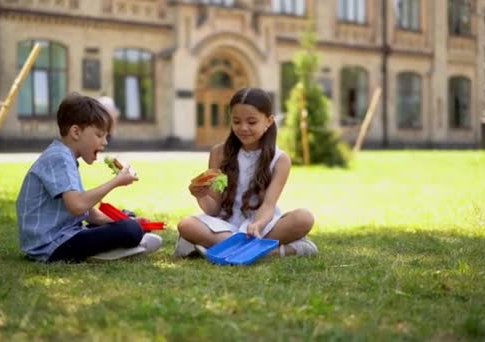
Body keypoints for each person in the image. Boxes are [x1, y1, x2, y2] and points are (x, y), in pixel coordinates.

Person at [16, 93, 162, 262]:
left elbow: (92, 215)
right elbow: (77, 205)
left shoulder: (66, 158)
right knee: (130, 230)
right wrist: (116, 182)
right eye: (99, 135)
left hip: (66, 235)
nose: (105, 142)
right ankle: (118, 248)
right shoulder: (59, 158)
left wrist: (130, 219)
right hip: (50, 246)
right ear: (76, 132)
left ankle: (118, 245)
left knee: (128, 218)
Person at [174, 87, 317, 258]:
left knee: (304, 218)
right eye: (236, 121)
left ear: (269, 121)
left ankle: (224, 248)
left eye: (252, 122)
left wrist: (257, 224)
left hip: (261, 225)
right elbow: (213, 210)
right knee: (186, 225)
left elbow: (268, 205)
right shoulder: (219, 153)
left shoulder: (280, 160)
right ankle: (271, 251)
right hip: (224, 226)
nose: (243, 128)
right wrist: (201, 195)